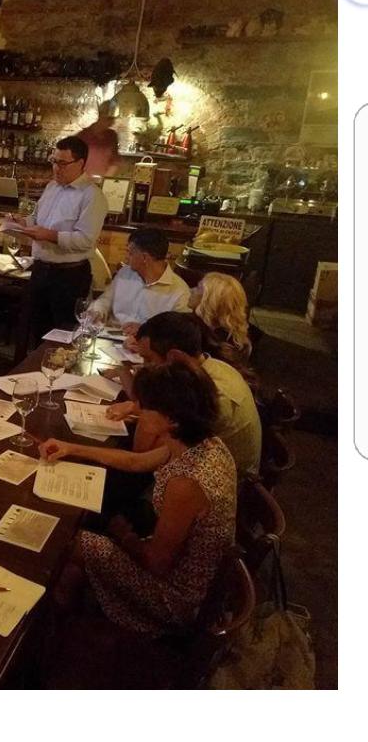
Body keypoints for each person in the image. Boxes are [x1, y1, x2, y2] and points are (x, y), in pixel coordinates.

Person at [44, 362, 237, 634]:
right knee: (74, 562)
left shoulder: (187, 483)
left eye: (145, 407)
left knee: (69, 542)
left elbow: (157, 564)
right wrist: (71, 448)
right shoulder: (203, 443)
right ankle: (63, 626)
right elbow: (136, 461)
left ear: (172, 419)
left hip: (175, 599)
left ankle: (54, 634)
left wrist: (123, 536)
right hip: (181, 572)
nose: (137, 410)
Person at [121, 310, 262, 475]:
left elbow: (142, 454)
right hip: (196, 470)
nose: (144, 366)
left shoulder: (207, 396)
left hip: (221, 482)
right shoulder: (213, 367)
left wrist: (143, 407)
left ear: (174, 357)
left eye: (149, 359)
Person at [1, 136, 108, 342]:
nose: (56, 168)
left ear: (81, 163)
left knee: (63, 335)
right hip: (41, 270)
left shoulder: (92, 196)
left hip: (69, 276)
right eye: (54, 161)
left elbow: (86, 240)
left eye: (62, 163)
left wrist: (50, 236)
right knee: (38, 332)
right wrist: (22, 222)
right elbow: (37, 219)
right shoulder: (52, 187)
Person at [89, 227, 191, 334]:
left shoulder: (180, 291)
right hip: (109, 336)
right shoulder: (125, 273)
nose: (126, 257)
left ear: (144, 258)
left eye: (130, 253)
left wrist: (145, 330)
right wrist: (97, 310)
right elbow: (105, 299)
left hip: (146, 342)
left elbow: (179, 333)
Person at [190, 271, 253, 368]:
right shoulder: (239, 342)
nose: (191, 290)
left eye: (198, 288)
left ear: (209, 301)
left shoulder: (192, 332)